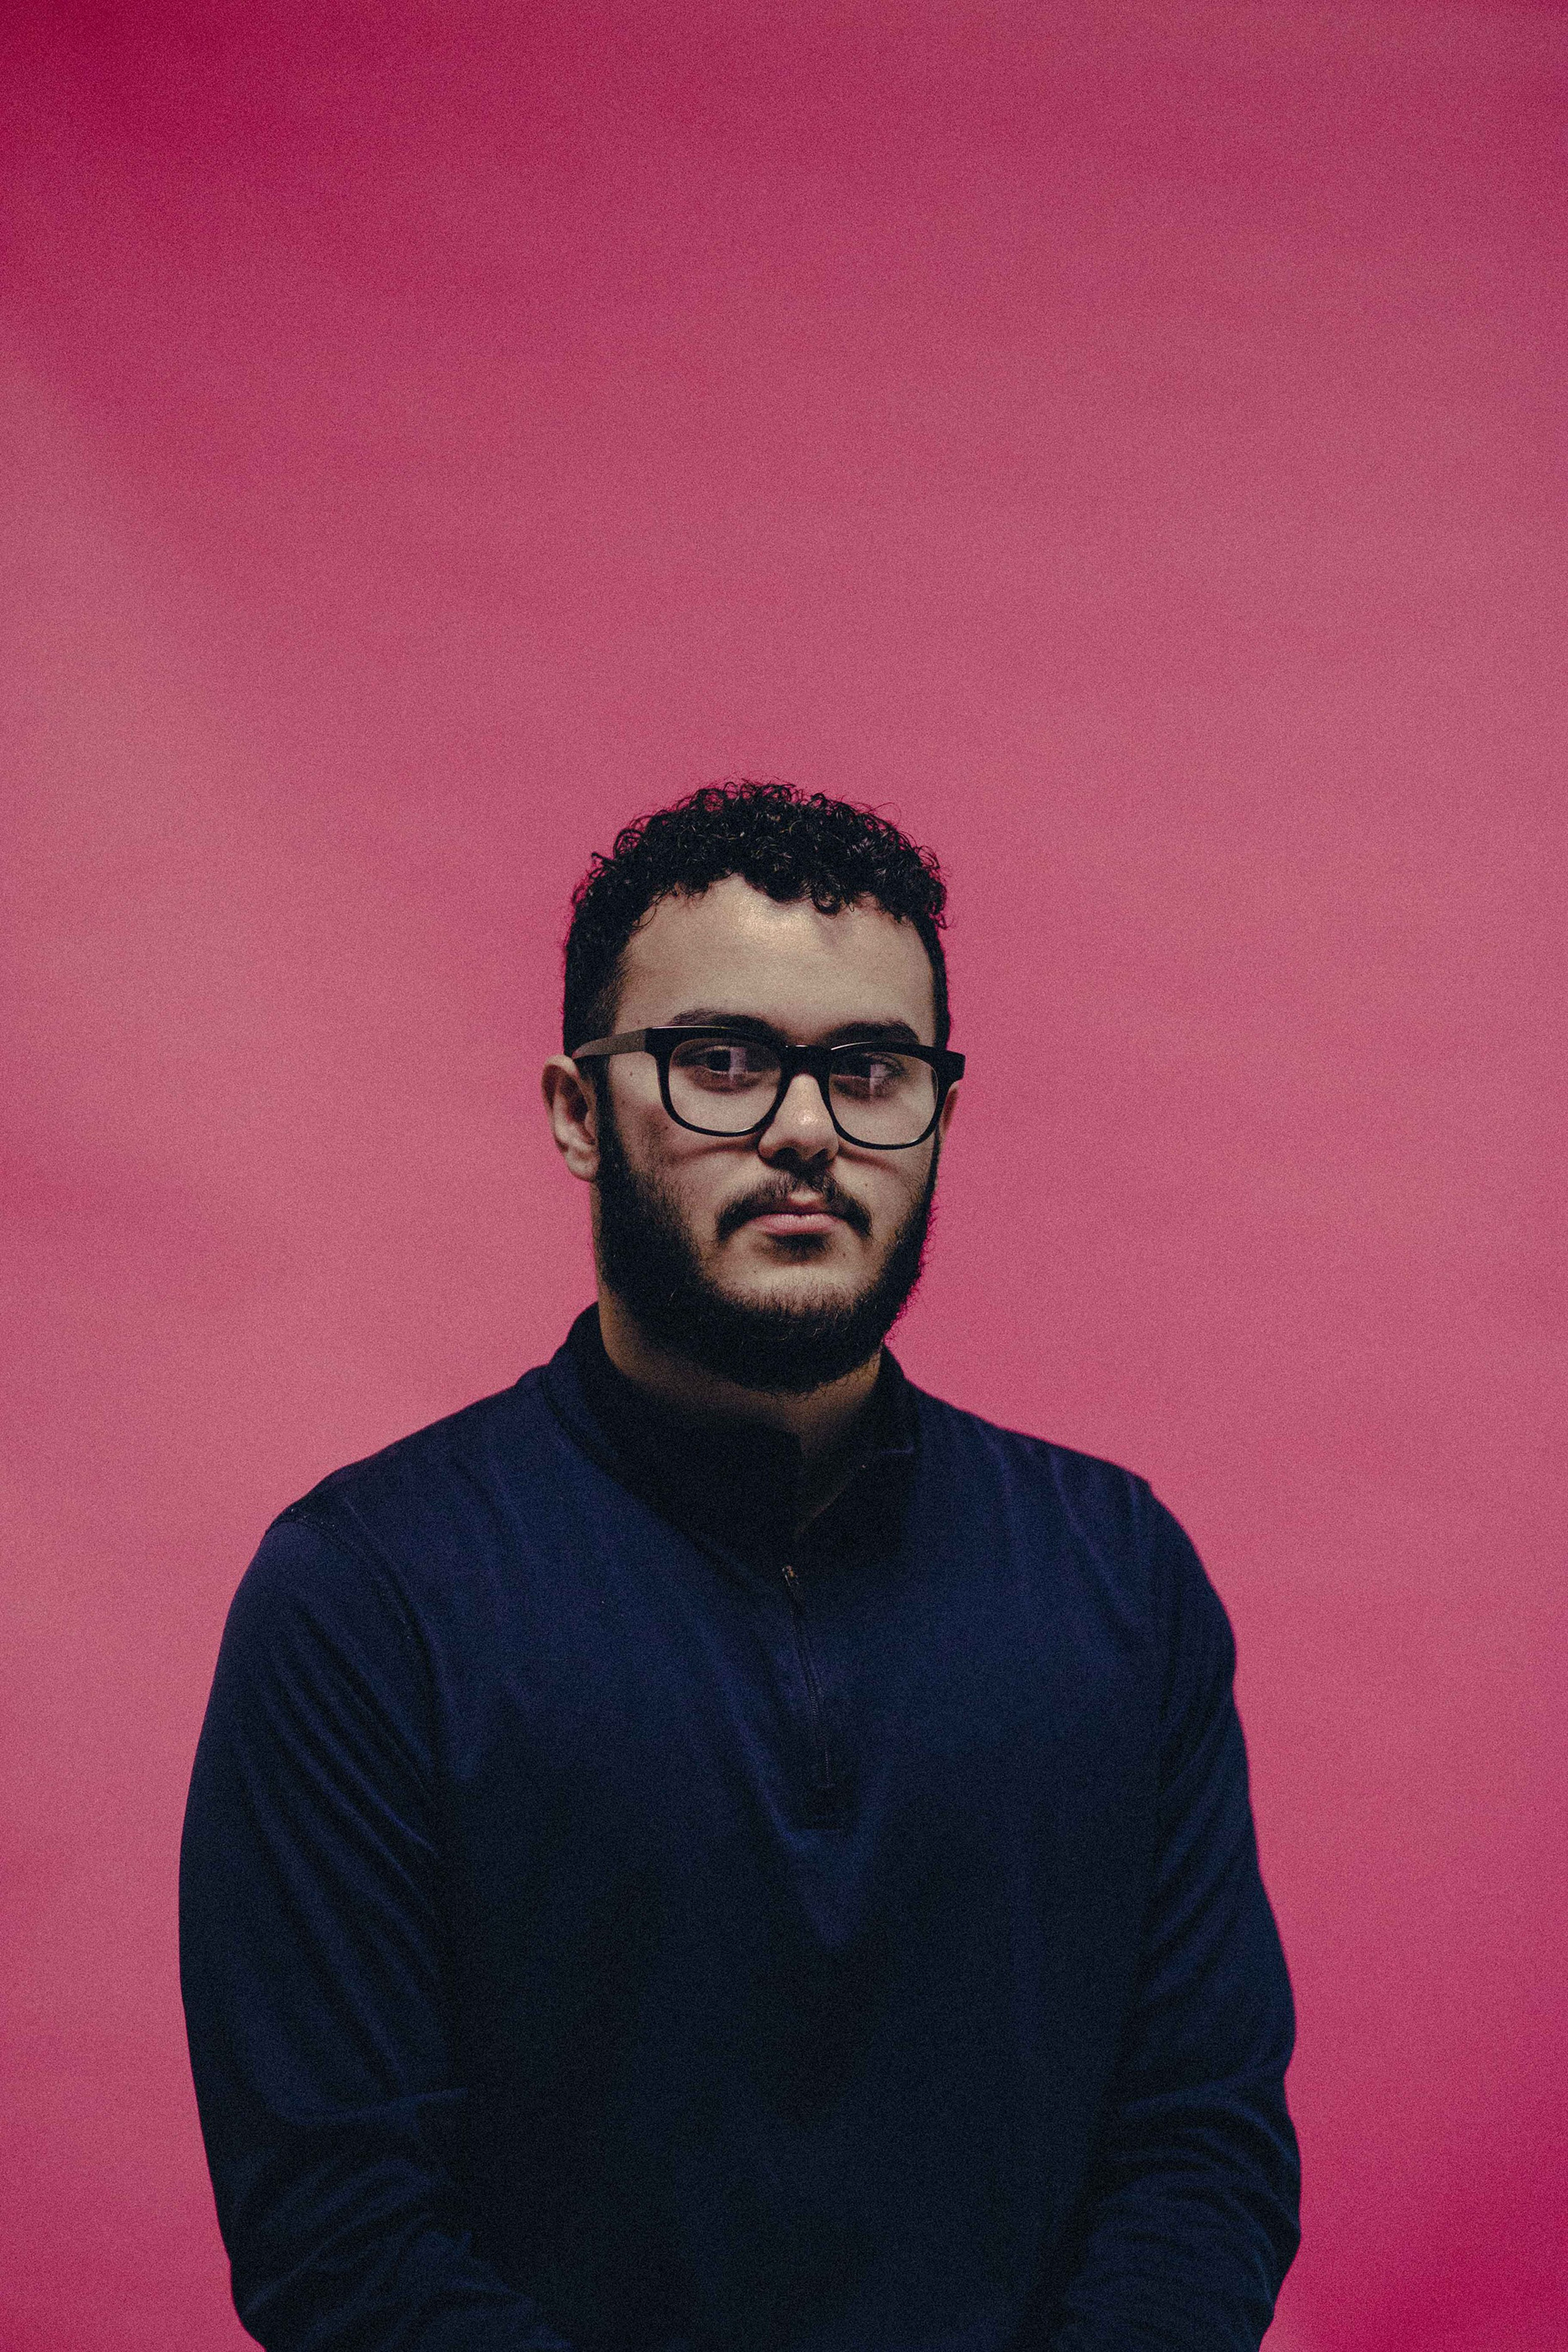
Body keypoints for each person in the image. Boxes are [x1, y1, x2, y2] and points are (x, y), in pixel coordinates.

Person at [180, 779, 1300, 2352]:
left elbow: (1203, 2149)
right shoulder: (365, 1597)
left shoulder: (1119, 1576)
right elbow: (340, 2233)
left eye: (871, 1069)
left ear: (940, 1113)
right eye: (721, 1061)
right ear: (579, 1111)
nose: (804, 1129)